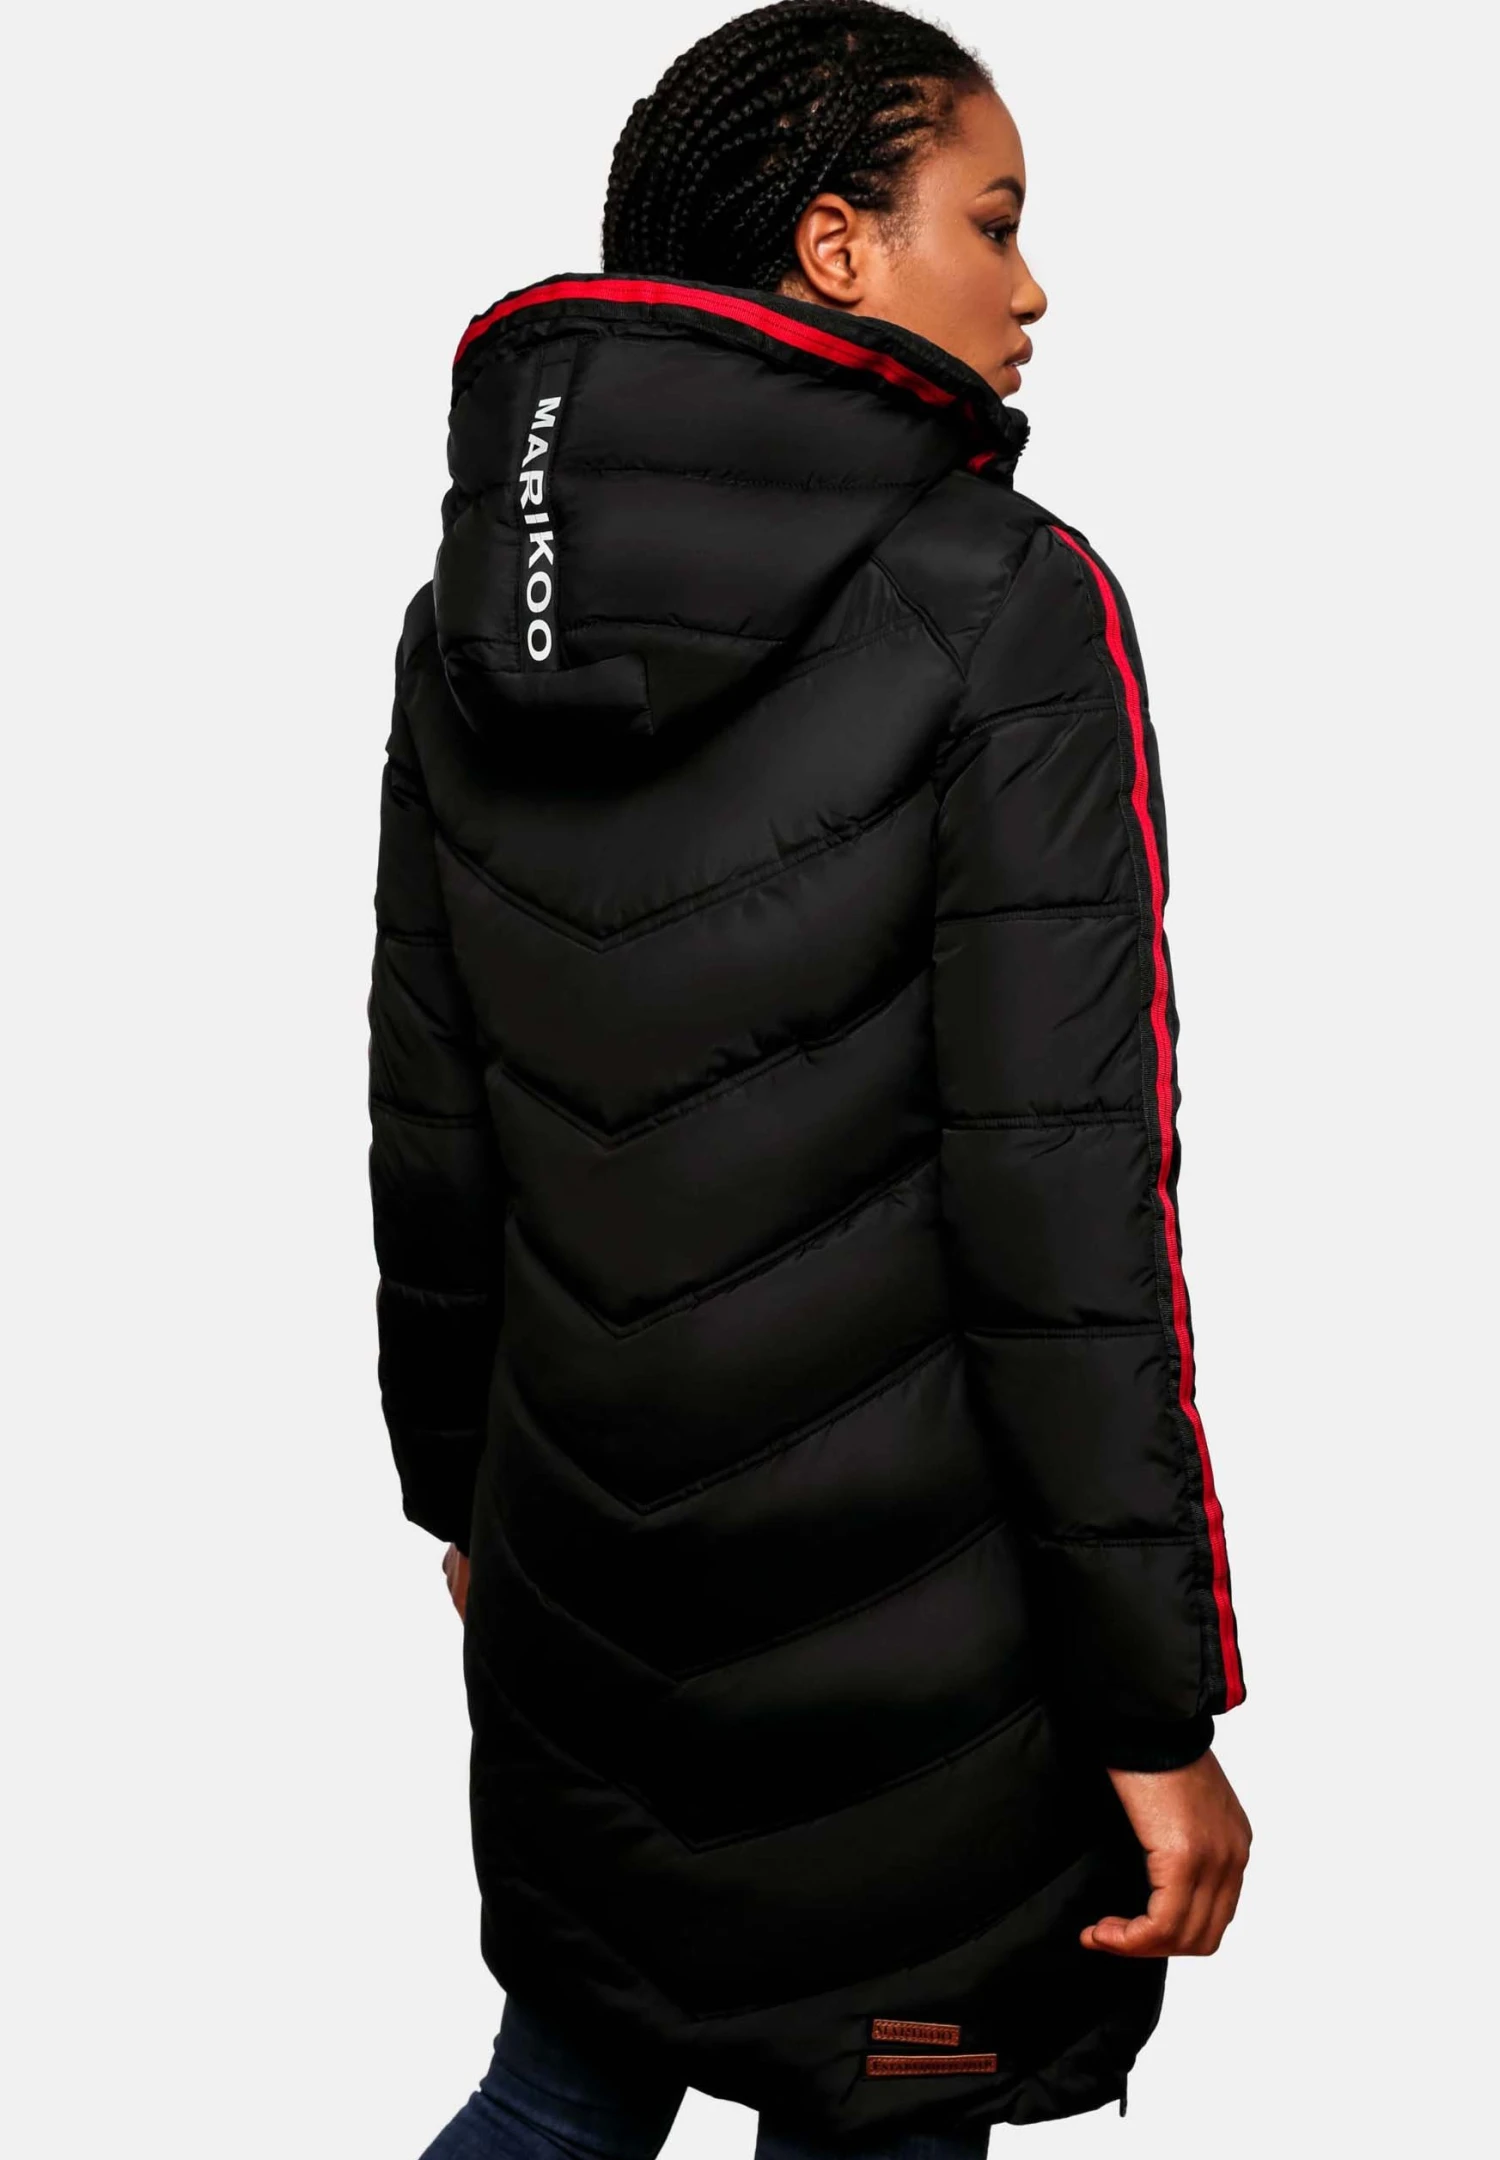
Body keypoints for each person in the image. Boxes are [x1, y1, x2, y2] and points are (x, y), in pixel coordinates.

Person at [366, 4, 1252, 2153]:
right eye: (994, 220)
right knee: (885, 2098)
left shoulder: (476, 615)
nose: (1033, 289)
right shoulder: (1004, 605)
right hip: (917, 1665)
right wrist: (1153, 1708)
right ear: (839, 247)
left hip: (578, 1580)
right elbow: (1063, 1202)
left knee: (565, 2085)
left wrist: (457, 1496)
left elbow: (429, 1108)